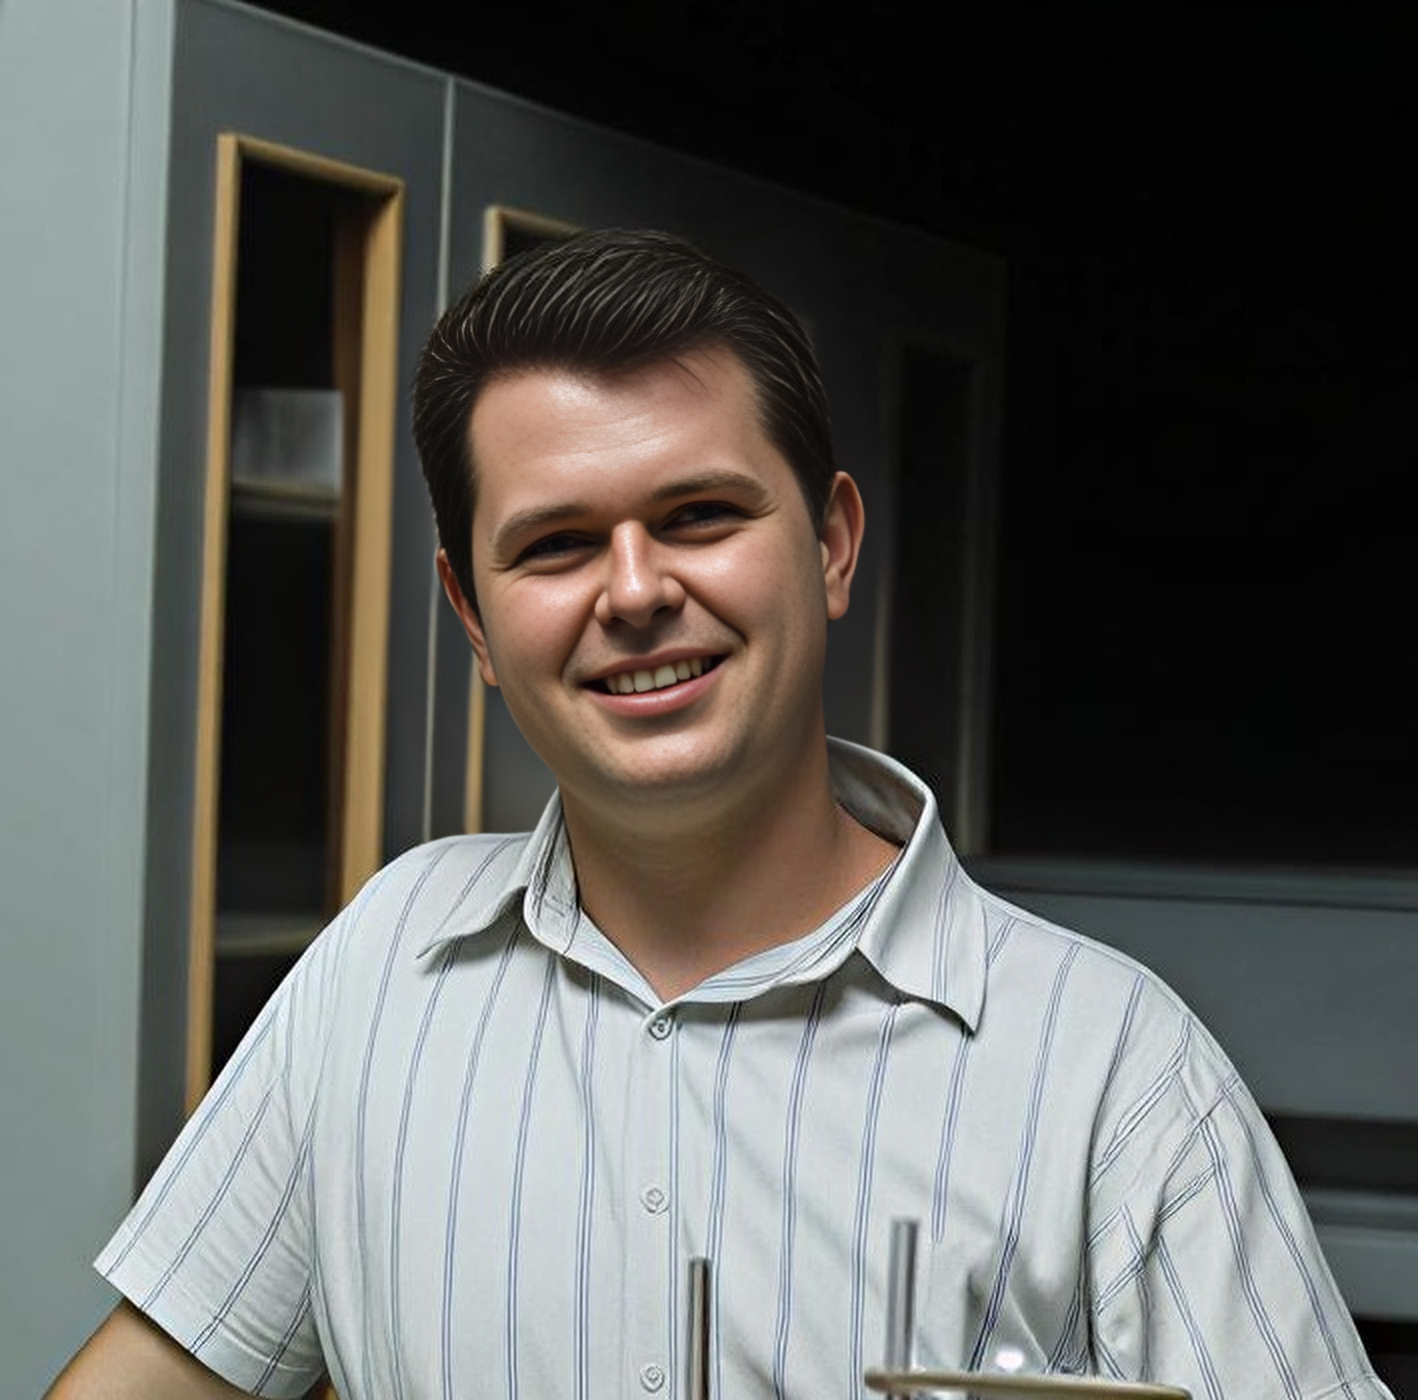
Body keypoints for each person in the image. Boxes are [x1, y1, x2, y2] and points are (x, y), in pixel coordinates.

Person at [49, 230, 1391, 1399]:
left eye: (698, 515)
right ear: (472, 617)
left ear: (831, 545)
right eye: (557, 544)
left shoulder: (1110, 1071)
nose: (634, 592)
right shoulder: (380, 969)